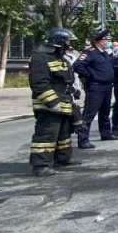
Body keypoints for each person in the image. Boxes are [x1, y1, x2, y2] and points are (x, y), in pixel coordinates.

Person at [28, 28, 81, 176]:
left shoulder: (61, 59)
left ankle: (63, 159)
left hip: (64, 103)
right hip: (48, 106)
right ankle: (40, 165)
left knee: (63, 134)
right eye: (67, 41)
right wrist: (52, 102)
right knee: (46, 135)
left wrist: (74, 95)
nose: (69, 44)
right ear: (59, 42)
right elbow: (39, 83)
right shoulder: (40, 58)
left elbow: (66, 81)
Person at [73, 29, 116, 149]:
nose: (108, 41)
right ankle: (83, 139)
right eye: (106, 39)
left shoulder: (104, 53)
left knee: (105, 112)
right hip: (95, 87)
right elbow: (78, 66)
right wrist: (90, 76)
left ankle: (106, 133)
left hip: (107, 86)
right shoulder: (90, 53)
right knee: (89, 113)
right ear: (100, 41)